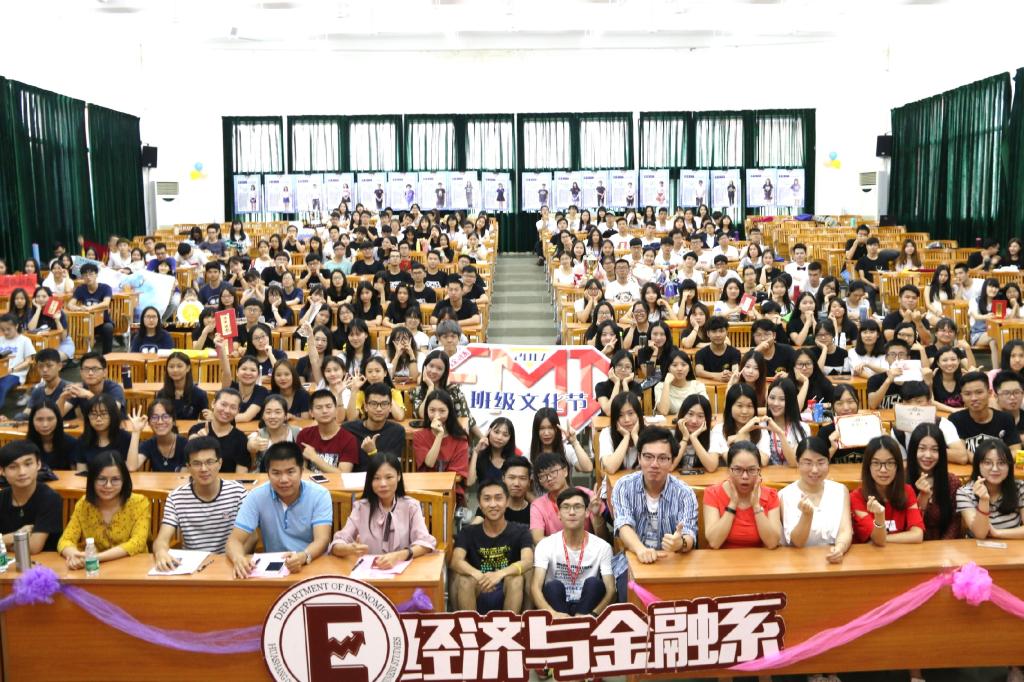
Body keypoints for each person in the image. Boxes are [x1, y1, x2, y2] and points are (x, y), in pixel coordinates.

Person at [225, 442, 333, 578]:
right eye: (276, 473)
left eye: (290, 472)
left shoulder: (320, 494)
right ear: (268, 473)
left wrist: (304, 556)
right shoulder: (256, 496)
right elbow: (234, 540)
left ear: (301, 471)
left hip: (313, 563)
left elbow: (322, 540)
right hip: (274, 570)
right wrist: (238, 558)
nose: (284, 480)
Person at [151, 437, 248, 571]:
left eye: (210, 462)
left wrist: (237, 558)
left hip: (229, 563)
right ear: (188, 467)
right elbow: (162, 540)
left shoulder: (238, 492)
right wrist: (161, 552)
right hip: (192, 566)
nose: (203, 469)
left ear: (220, 463)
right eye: (196, 463)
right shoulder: (176, 497)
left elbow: (252, 537)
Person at [611, 426, 698, 567]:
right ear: (639, 458)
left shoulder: (684, 493)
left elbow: (689, 533)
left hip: (672, 562)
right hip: (633, 560)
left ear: (672, 462)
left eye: (662, 458)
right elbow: (623, 524)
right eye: (648, 457)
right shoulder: (624, 486)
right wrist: (641, 550)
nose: (654, 464)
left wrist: (680, 543)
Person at [329, 452, 437, 565]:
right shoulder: (361, 507)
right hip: (369, 571)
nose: (383, 484)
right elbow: (337, 543)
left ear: (399, 476)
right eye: (376, 478)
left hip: (404, 571)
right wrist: (349, 549)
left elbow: (425, 543)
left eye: (389, 477)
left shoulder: (411, 506)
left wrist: (400, 555)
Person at [451, 479, 534, 613]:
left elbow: (528, 561)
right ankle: (470, 625)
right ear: (480, 504)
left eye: (498, 498)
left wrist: (500, 574)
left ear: (507, 502)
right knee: (464, 580)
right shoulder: (468, 532)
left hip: (507, 588)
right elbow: (456, 561)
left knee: (516, 579)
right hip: (477, 587)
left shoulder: (521, 531)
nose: (493, 504)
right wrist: (478, 575)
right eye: (487, 499)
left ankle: (510, 625)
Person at [531, 487, 615, 618]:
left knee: (594, 584)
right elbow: (535, 587)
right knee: (553, 587)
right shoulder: (545, 545)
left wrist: (593, 614)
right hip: (557, 606)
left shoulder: (602, 547)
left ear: (587, 512)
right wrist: (552, 613)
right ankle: (562, 623)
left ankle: (582, 620)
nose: (571, 512)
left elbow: (611, 590)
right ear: (558, 514)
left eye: (577, 507)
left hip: (588, 606)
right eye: (566, 507)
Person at [57, 451, 151, 568]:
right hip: (94, 570)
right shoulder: (84, 504)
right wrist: (75, 556)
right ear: (92, 480)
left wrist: (95, 558)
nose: (108, 486)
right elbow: (65, 541)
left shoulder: (139, 503)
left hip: (133, 567)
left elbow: (137, 543)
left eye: (115, 479)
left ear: (124, 481)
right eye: (101, 479)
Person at [779, 437, 853, 562]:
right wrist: (806, 516)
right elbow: (797, 542)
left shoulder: (840, 490)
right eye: (808, 463)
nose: (815, 470)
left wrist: (840, 548)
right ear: (797, 463)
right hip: (799, 563)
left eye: (821, 462)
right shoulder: (785, 495)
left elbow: (845, 530)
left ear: (828, 462)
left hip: (833, 560)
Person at [703, 441, 783, 549]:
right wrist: (732, 504)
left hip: (759, 558)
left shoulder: (771, 495)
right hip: (722, 558)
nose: (745, 476)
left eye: (751, 470)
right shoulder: (713, 493)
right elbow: (714, 542)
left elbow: (772, 543)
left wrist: (756, 506)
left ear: (759, 471)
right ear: (728, 470)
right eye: (738, 469)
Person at [850, 436, 925, 545]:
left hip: (900, 554)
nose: (883, 470)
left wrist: (881, 539)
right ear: (868, 466)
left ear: (897, 466)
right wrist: (880, 516)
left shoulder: (907, 491)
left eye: (890, 463)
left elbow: (917, 535)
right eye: (876, 463)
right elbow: (878, 539)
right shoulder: (857, 497)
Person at [530, 452, 607, 544]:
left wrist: (597, 517)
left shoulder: (587, 495)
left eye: (553, 472)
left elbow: (604, 539)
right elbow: (538, 539)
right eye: (542, 476)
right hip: (556, 552)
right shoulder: (538, 505)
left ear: (565, 471)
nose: (549, 478)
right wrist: (570, 546)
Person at [0, 441, 63, 553]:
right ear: (2, 471)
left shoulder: (50, 498)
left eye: (28, 464)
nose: (22, 472)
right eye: (13, 467)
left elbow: (33, 547)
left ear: (38, 464)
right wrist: (16, 535)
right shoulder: (2, 497)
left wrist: (3, 542)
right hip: (7, 561)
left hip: (45, 561)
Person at [957, 439, 1024, 539]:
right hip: (976, 547)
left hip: (1012, 546)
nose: (995, 469)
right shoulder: (965, 493)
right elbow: (980, 534)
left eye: (1001, 463)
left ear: (1009, 466)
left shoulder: (1020, 487)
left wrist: (997, 533)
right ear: (978, 465)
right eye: (987, 463)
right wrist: (984, 500)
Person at [906, 423, 962, 540]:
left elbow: (955, 523)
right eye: (922, 448)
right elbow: (903, 526)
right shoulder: (901, 482)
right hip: (910, 545)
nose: (928, 455)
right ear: (913, 450)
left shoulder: (952, 482)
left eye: (934, 450)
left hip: (944, 547)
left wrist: (941, 548)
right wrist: (921, 501)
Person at [949, 371, 1022, 455]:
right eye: (967, 394)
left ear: (989, 393)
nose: (974, 398)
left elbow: (1016, 451)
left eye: (979, 392)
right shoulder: (956, 420)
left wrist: (994, 461)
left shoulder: (1006, 419)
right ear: (962, 396)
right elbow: (961, 452)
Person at [186, 388, 251, 472]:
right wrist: (198, 441)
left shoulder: (241, 438)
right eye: (223, 404)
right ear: (213, 403)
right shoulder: (198, 429)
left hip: (228, 480)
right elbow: (189, 454)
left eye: (233, 407)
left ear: (238, 411)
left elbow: (241, 474)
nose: (227, 410)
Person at [296, 390, 360, 473]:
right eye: (319, 408)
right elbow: (300, 469)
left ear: (336, 410)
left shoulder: (349, 439)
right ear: (311, 413)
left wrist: (315, 458)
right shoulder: (304, 435)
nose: (324, 411)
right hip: (309, 481)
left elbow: (343, 475)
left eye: (329, 406)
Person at [709, 383, 770, 466]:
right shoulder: (718, 430)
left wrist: (741, 436)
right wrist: (743, 433)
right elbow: (731, 461)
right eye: (739, 406)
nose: (744, 411)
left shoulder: (761, 428)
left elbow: (763, 461)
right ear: (730, 407)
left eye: (749, 406)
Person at [57, 351, 126, 419]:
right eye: (86, 369)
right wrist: (62, 397)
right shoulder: (79, 389)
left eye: (95, 369)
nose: (90, 373)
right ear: (81, 372)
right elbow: (57, 415)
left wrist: (89, 395)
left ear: (105, 372)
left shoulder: (114, 388)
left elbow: (112, 412)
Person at [125, 400, 188, 472]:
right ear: (149, 423)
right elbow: (131, 467)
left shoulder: (185, 444)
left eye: (165, 417)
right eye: (154, 417)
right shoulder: (149, 444)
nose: (160, 422)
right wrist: (136, 431)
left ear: (173, 421)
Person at [74, 394, 132, 470]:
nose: (98, 419)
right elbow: (81, 472)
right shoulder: (83, 440)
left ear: (113, 415)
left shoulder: (125, 438)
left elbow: (131, 469)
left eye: (104, 414)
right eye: (93, 414)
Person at [67, 262, 114, 354]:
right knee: (72, 326)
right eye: (85, 275)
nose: (88, 277)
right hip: (85, 322)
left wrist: (90, 308)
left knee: (108, 328)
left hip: (102, 322)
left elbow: (106, 303)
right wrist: (79, 309)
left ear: (96, 275)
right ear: (82, 277)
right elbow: (70, 304)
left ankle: (107, 356)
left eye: (91, 274)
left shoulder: (105, 288)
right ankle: (76, 354)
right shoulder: (81, 289)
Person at [472, 456, 532, 525]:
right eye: (512, 477)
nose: (516, 483)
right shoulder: (491, 506)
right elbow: (472, 527)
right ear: (503, 479)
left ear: (529, 482)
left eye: (522, 478)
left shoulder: (535, 511)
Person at [156, 352, 209, 421]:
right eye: (171, 367)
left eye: (179, 366)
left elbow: (206, 420)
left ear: (188, 368)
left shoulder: (200, 394)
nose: (175, 370)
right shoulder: (161, 394)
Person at [654, 349, 707, 416]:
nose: (679, 369)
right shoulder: (660, 386)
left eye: (683, 365)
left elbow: (705, 409)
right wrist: (666, 383)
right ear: (669, 369)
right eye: (674, 365)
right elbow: (663, 412)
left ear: (689, 368)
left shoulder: (697, 385)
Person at [0, 313, 36, 408]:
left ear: (16, 326)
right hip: (1, 373)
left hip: (15, 374)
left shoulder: (24, 340)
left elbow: (28, 361)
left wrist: (12, 370)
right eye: (3, 330)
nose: (5, 332)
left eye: (8, 329)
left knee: (2, 386)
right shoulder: (0, 340)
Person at [695, 316, 741, 381]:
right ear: (708, 333)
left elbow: (735, 370)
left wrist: (731, 375)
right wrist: (717, 376)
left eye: (721, 331)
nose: (718, 335)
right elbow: (698, 371)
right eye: (714, 331)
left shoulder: (735, 352)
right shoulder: (701, 353)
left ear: (727, 332)